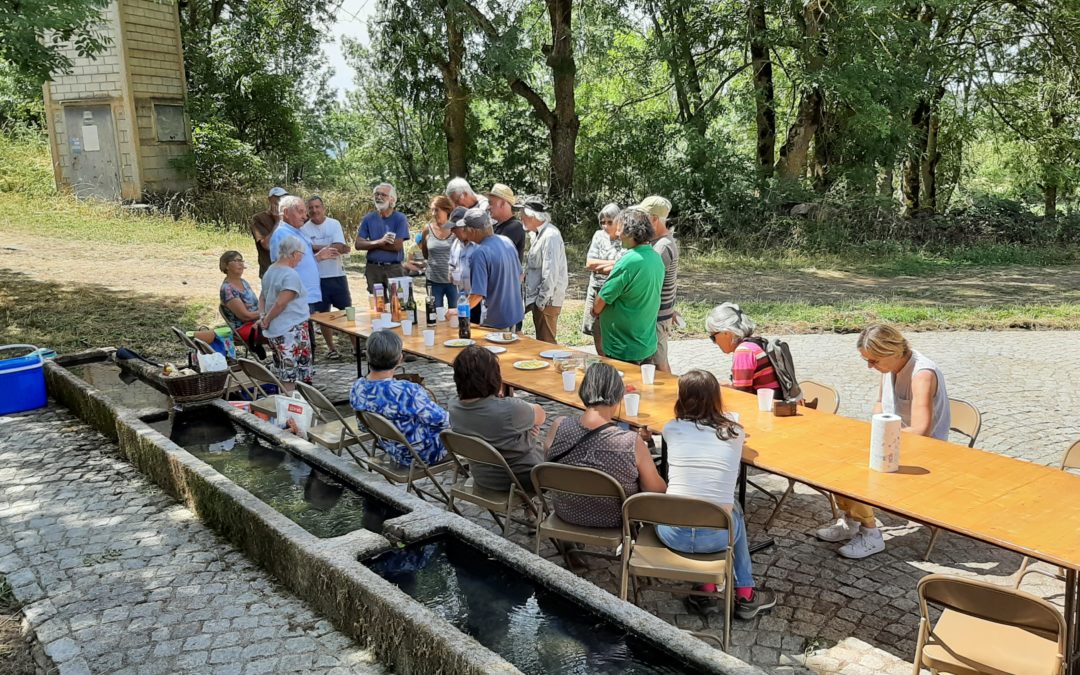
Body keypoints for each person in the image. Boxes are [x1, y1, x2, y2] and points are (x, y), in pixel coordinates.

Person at [815, 324, 951, 559]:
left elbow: (922, 430)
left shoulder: (922, 374)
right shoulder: (888, 369)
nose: (870, 366)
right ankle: (852, 521)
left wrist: (880, 439)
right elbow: (880, 404)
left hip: (923, 453)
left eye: (874, 360)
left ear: (894, 352)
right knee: (835, 457)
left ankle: (871, 535)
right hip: (893, 444)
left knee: (854, 470)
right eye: (867, 360)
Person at [658, 369, 776, 619]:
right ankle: (745, 594)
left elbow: (681, 428)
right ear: (716, 398)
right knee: (735, 512)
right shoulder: (735, 432)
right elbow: (729, 428)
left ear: (681, 398)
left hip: (672, 534)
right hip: (718, 538)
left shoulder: (671, 429)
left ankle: (705, 589)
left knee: (722, 510)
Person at [543, 363, 667, 528]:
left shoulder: (558, 425)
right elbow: (657, 491)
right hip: (617, 520)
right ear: (618, 395)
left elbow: (549, 464)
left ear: (583, 391)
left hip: (567, 513)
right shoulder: (631, 442)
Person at [449, 346, 546, 490]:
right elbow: (541, 415)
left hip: (483, 478)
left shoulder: (453, 406)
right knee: (560, 430)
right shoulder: (509, 410)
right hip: (524, 478)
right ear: (493, 377)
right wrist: (525, 428)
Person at [350, 330, 449, 466]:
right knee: (470, 429)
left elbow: (363, 426)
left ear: (367, 356)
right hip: (425, 454)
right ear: (400, 359)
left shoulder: (358, 387)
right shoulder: (407, 391)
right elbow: (443, 421)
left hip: (393, 450)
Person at [591, 209, 664, 364]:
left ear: (631, 232)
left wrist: (594, 311)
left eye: (620, 228)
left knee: (622, 388)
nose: (617, 234)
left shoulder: (627, 262)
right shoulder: (655, 257)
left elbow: (600, 301)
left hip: (623, 347)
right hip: (646, 343)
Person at [259, 235, 313, 388]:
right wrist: (267, 319)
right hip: (290, 330)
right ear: (295, 253)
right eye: (301, 256)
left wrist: (263, 316)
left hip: (275, 330)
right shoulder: (290, 274)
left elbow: (262, 297)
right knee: (291, 373)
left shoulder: (270, 270)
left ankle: (293, 402)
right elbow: (281, 303)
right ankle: (291, 405)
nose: (300, 260)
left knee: (282, 367)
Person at [269, 195, 338, 313]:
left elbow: (299, 261)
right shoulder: (282, 234)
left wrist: (318, 257)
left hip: (306, 296)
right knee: (300, 330)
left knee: (307, 330)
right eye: (300, 212)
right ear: (286, 212)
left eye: (305, 213)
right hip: (296, 298)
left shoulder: (298, 231)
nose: (305, 217)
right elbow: (280, 267)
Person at [302, 195, 351, 358]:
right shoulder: (303, 228)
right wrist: (325, 248)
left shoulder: (333, 224)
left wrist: (314, 247)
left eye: (317, 207)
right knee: (323, 315)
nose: (314, 210)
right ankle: (331, 349)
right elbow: (304, 251)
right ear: (307, 211)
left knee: (348, 311)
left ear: (323, 208)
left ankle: (356, 345)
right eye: (311, 208)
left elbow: (338, 247)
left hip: (337, 274)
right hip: (316, 277)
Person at [634, 195, 679, 373]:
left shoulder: (663, 246)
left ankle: (672, 398)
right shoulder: (658, 243)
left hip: (658, 315)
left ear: (654, 219)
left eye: (643, 218)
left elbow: (650, 280)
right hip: (658, 312)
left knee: (659, 363)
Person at [462, 208, 524, 330]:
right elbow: (520, 276)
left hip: (496, 322)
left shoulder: (479, 253)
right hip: (515, 317)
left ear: (472, 231)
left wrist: (458, 310)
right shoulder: (507, 242)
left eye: (464, 229)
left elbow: (477, 295)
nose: (463, 232)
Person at [705, 303, 781, 399]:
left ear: (726, 333)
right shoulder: (755, 343)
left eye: (713, 337)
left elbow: (742, 395)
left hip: (766, 408)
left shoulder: (743, 352)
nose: (714, 342)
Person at [519, 197, 568, 343]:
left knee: (547, 344)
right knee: (542, 342)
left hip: (547, 301)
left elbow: (550, 272)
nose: (520, 218)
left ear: (532, 216)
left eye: (523, 216)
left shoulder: (550, 235)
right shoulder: (539, 234)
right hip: (541, 299)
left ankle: (553, 366)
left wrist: (541, 302)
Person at [355, 183, 410, 294]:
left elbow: (397, 246)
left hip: (394, 269)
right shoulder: (368, 218)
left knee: (398, 305)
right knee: (377, 307)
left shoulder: (400, 218)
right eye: (377, 194)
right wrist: (381, 242)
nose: (379, 197)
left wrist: (370, 244)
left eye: (383, 195)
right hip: (373, 269)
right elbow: (358, 244)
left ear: (392, 199)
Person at [582, 203, 622, 355]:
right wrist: (613, 264)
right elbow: (590, 263)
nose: (605, 226)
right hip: (596, 289)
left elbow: (622, 267)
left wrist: (603, 265)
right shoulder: (599, 236)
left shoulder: (624, 238)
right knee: (595, 329)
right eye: (603, 222)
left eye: (609, 222)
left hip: (614, 291)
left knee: (612, 330)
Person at [218, 250, 267, 360]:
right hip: (244, 327)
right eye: (236, 260)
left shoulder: (243, 281)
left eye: (241, 260)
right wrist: (266, 313)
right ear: (226, 265)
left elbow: (257, 304)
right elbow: (245, 316)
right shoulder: (227, 288)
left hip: (257, 321)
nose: (241, 264)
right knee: (279, 328)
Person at [420, 195, 458, 310]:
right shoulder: (427, 229)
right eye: (432, 210)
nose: (433, 213)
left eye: (436, 210)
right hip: (433, 280)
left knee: (456, 315)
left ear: (446, 210)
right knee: (434, 315)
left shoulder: (455, 229)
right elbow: (426, 254)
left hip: (453, 282)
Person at [447, 207, 480, 323]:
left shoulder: (478, 244)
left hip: (478, 300)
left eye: (454, 228)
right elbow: (451, 264)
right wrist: (450, 274)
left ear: (463, 227)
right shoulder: (455, 243)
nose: (452, 232)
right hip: (461, 297)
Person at [250, 187, 286, 278]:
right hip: (269, 271)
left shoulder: (290, 217)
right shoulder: (258, 218)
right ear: (269, 200)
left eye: (284, 197)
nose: (281, 200)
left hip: (288, 270)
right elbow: (267, 245)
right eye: (277, 197)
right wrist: (278, 222)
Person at [486, 183, 525, 261]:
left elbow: (494, 254)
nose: (488, 207)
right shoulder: (496, 226)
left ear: (503, 203)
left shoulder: (515, 227)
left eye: (491, 203)